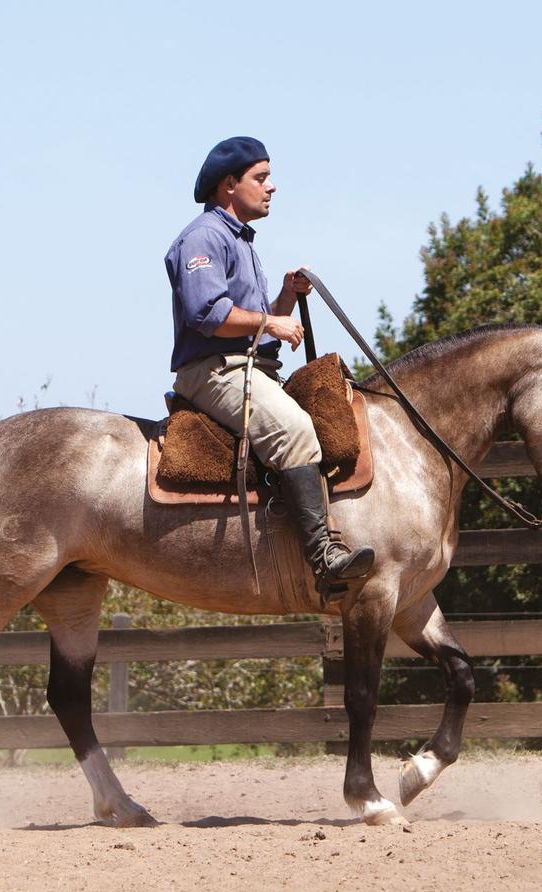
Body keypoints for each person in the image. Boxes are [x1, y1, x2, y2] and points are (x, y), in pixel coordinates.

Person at [165, 136, 374, 600]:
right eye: (260, 178)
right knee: (297, 430)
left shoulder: (240, 241)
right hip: (215, 371)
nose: (271, 187)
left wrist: (285, 297)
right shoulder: (204, 237)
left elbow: (253, 325)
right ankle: (324, 557)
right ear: (228, 186)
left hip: (246, 367)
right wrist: (273, 320)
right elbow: (208, 314)